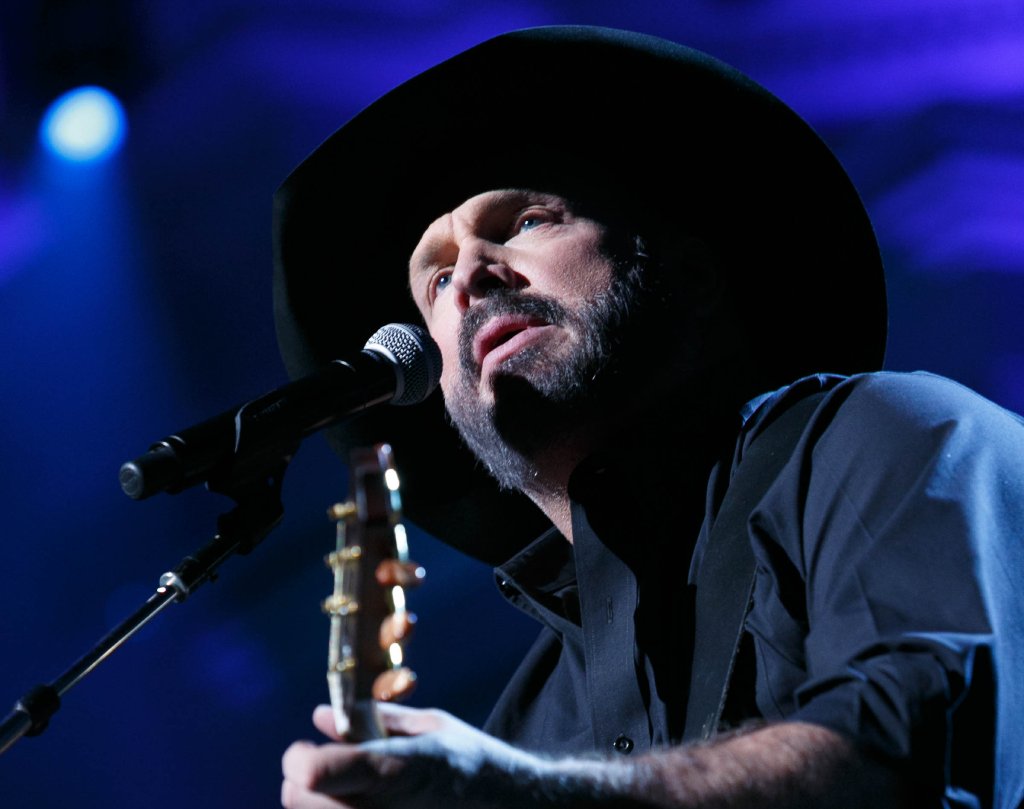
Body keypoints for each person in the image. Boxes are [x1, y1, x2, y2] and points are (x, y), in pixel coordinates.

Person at [272, 27, 1024, 808]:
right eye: (433, 282)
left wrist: (524, 797)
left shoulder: (890, 435)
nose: (469, 276)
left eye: (527, 221)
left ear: (694, 275)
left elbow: (912, 761)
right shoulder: (532, 715)